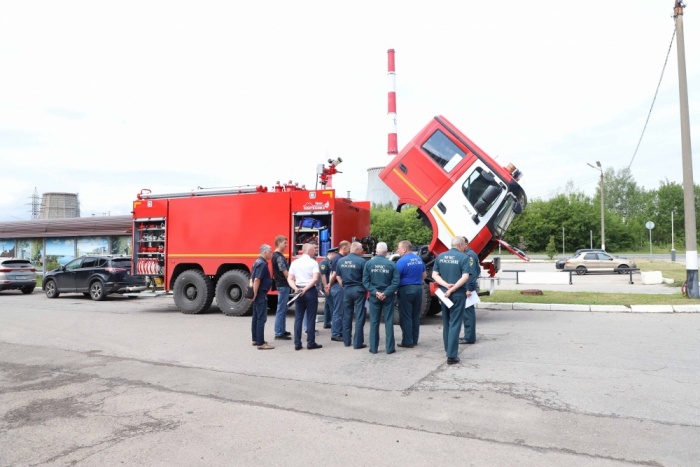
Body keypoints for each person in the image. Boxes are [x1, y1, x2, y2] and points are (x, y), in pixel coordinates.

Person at [432, 236, 471, 364]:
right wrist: (453, 288)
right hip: (458, 294)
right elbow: (465, 277)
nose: (465, 247)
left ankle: (447, 349)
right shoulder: (464, 257)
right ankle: (451, 355)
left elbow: (434, 275)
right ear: (460, 245)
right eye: (464, 245)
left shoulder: (440, 256)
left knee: (447, 322)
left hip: (443, 294)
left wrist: (445, 285)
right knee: (455, 323)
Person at [362, 242, 399, 354]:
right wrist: (386, 293)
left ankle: (373, 348)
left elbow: (365, 281)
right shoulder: (391, 264)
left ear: (377, 251)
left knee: (374, 322)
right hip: (387, 297)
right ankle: (390, 348)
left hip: (374, 297)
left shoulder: (369, 264)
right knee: (388, 321)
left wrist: (375, 292)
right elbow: (396, 281)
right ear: (386, 251)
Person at [288, 243, 323, 350]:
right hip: (310, 291)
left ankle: (297, 343)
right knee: (311, 317)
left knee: (298, 318)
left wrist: (296, 288)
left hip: (298, 290)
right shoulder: (313, 263)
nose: (314, 252)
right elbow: (315, 279)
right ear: (310, 251)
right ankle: (310, 342)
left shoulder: (295, 263)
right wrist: (306, 289)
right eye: (314, 250)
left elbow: (289, 278)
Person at [396, 240, 427, 348]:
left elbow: (396, 277)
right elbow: (424, 275)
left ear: (404, 249)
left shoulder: (401, 261)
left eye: (399, 248)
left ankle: (407, 341)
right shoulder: (419, 259)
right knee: (415, 315)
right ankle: (414, 339)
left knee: (406, 316)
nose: (398, 250)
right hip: (418, 289)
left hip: (406, 290)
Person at [336, 241, 367, 349]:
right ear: (357, 249)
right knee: (359, 316)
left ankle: (346, 341)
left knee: (347, 315)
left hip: (347, 290)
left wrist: (343, 285)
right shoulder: (362, 261)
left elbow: (338, 276)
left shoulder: (341, 260)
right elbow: (366, 278)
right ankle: (358, 343)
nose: (362, 251)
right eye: (361, 249)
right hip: (359, 290)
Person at [251, 244, 274, 350]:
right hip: (260, 293)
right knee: (261, 318)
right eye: (270, 252)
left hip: (257, 293)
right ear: (265, 252)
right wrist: (255, 293)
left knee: (256, 317)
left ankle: (255, 339)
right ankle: (261, 343)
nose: (271, 254)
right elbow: (257, 279)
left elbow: (251, 278)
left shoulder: (256, 262)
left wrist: (252, 292)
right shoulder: (263, 264)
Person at [326, 241, 350, 342]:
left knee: (340, 310)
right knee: (338, 311)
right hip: (337, 286)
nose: (349, 250)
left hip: (336, 286)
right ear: (344, 248)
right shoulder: (339, 258)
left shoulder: (337, 258)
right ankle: (335, 333)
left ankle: (339, 331)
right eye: (348, 248)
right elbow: (334, 275)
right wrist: (329, 285)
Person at [271, 235, 292, 341]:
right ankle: (279, 332)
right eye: (285, 243)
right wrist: (293, 281)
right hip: (283, 285)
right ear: (279, 243)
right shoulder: (279, 256)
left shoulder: (276, 255)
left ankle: (282, 330)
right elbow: (285, 272)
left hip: (281, 285)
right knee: (281, 309)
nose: (286, 245)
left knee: (283, 309)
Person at [461, 237, 481, 345]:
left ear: (466, 244)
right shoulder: (469, 254)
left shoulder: (469, 255)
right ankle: (468, 335)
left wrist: (468, 288)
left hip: (469, 287)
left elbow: (471, 273)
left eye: (461, 244)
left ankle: (469, 337)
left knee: (468, 313)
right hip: (469, 287)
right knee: (467, 312)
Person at [319, 248, 338, 329]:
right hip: (327, 286)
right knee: (333, 306)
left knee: (327, 305)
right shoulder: (324, 263)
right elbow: (323, 276)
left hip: (330, 285)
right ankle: (335, 327)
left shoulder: (331, 262)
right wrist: (326, 287)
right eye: (336, 255)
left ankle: (327, 323)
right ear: (332, 254)